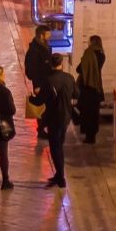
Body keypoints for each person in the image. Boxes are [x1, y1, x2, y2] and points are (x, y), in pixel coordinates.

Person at [41, 54, 78, 188]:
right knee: (59, 145)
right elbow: (76, 94)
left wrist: (32, 98)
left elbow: (40, 100)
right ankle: (58, 175)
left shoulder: (49, 80)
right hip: (66, 116)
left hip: (53, 117)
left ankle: (60, 178)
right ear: (61, 63)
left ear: (51, 64)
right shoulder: (69, 78)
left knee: (55, 147)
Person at [25, 26, 54, 138]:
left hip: (46, 82)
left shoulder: (44, 47)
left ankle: (45, 127)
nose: (50, 36)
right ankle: (41, 130)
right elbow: (31, 70)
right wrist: (36, 85)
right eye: (48, 34)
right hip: (40, 84)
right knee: (41, 107)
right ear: (41, 36)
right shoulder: (34, 50)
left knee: (47, 106)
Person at [76, 34, 106, 144]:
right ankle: (92, 135)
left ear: (92, 42)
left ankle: (88, 136)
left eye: (89, 41)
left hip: (87, 87)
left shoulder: (88, 53)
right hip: (97, 86)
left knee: (86, 112)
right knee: (94, 113)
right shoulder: (102, 55)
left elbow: (79, 69)